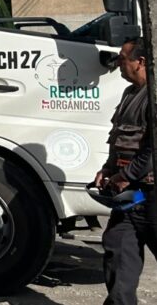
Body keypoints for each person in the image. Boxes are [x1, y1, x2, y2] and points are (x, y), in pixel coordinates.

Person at [95, 38, 156, 305]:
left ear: (140, 62)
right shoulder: (129, 94)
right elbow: (120, 139)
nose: (118, 63)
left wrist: (125, 176)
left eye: (122, 58)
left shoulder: (153, 96)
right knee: (118, 253)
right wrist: (107, 169)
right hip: (129, 198)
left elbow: (153, 151)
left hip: (151, 196)